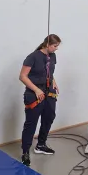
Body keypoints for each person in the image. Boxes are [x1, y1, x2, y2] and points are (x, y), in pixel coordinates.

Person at [19, 34, 61, 166]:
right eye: (55, 46)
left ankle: (41, 144)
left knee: (49, 117)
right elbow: (23, 76)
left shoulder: (52, 56)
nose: (56, 49)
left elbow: (50, 72)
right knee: (31, 122)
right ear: (47, 45)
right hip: (34, 92)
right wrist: (36, 90)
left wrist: (54, 82)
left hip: (49, 91)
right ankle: (25, 151)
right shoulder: (33, 57)